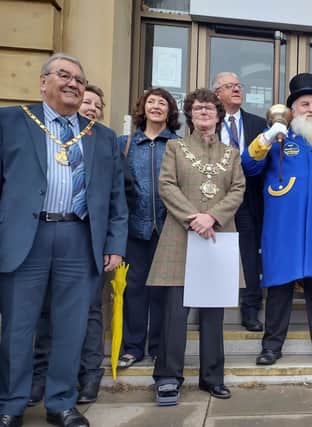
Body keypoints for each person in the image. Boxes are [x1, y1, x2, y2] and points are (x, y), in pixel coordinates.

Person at [0, 53, 127, 427]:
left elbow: (116, 197)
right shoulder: (11, 122)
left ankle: (61, 403)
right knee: (18, 326)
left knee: (72, 327)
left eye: (80, 80)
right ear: (43, 82)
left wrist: (115, 244)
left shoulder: (101, 136)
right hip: (26, 238)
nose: (74, 83)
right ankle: (11, 403)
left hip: (79, 237)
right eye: (64, 75)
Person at [147, 88, 245, 406]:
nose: (204, 112)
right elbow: (166, 185)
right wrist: (194, 218)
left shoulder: (231, 154)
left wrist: (212, 217)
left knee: (213, 314)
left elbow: (238, 188)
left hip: (217, 238)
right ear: (190, 114)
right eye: (198, 108)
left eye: (210, 108)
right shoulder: (175, 148)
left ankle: (212, 377)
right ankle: (168, 378)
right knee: (175, 312)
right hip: (180, 236)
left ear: (219, 115)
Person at [242, 73, 312, 367]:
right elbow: (248, 167)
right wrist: (266, 136)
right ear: (292, 111)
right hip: (282, 226)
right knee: (279, 285)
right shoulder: (276, 138)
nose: (311, 109)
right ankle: (271, 346)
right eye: (304, 104)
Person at [30, 84, 111, 406]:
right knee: (46, 312)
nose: (90, 108)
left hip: (89, 241)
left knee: (90, 312)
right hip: (46, 238)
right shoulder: (52, 143)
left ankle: (89, 375)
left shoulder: (105, 142)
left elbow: (120, 197)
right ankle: (40, 377)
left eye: (96, 104)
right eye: (86, 102)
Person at [115, 88, 181, 370]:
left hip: (169, 229)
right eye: (151, 102)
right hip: (134, 229)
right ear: (143, 108)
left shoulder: (179, 144)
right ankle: (132, 347)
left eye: (162, 103)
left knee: (162, 292)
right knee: (134, 289)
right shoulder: (124, 143)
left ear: (170, 111)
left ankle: (158, 347)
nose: (156, 107)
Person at [213, 72, 267, 332]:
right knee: (213, 252)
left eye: (238, 85)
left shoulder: (258, 124)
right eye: (229, 86)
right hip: (214, 200)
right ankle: (209, 311)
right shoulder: (207, 123)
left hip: (248, 200)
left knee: (249, 257)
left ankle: (251, 310)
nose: (236, 89)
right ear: (217, 94)